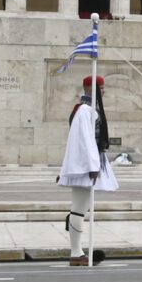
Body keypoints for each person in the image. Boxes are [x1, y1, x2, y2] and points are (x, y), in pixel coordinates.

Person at [57, 74, 116, 266]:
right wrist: (92, 166)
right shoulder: (84, 111)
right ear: (91, 89)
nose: (104, 90)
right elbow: (86, 141)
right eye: (102, 87)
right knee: (79, 209)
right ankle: (76, 253)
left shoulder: (89, 110)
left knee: (81, 208)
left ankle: (78, 251)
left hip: (89, 164)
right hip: (86, 166)